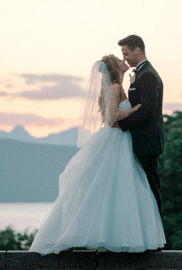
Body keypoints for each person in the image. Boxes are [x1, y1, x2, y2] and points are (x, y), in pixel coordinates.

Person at [29, 55, 166, 255]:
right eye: (120, 59)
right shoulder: (114, 88)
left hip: (120, 141)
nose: (123, 60)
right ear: (115, 67)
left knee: (115, 189)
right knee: (108, 187)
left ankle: (111, 235)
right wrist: (134, 110)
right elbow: (111, 119)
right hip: (115, 140)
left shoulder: (117, 87)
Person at [117, 34, 165, 216]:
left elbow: (148, 110)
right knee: (143, 189)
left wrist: (121, 125)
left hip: (147, 141)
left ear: (137, 51)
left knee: (151, 189)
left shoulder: (148, 75)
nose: (125, 59)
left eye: (126, 54)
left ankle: (156, 240)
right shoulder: (143, 73)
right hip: (141, 141)